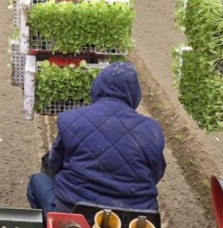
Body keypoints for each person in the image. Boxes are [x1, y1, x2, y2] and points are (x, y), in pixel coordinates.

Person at [27, 61, 166, 215]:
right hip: (135, 220)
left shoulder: (72, 119)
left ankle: (49, 227)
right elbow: (155, 174)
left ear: (97, 87)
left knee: (37, 181)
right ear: (135, 95)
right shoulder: (152, 131)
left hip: (76, 213)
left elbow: (54, 164)